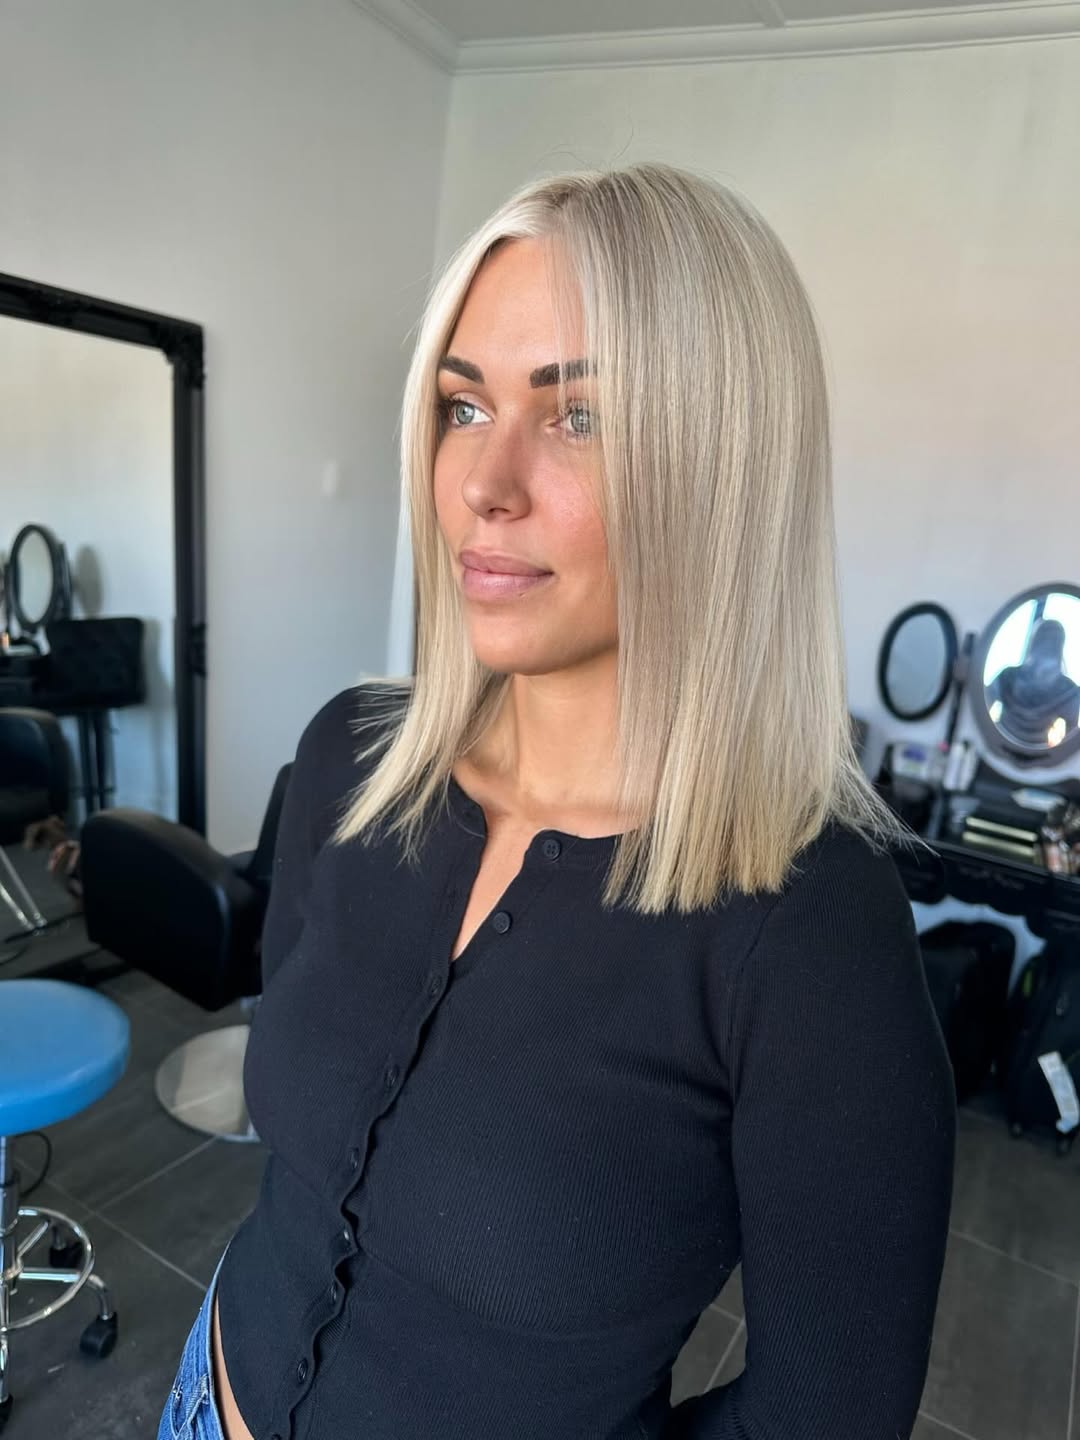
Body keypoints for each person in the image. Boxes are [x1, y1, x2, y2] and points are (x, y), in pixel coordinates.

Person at [158, 161, 956, 1440]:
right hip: (206, 1394)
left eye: (577, 417)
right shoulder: (353, 762)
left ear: (722, 471)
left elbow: (831, 1409)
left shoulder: (806, 930)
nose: (487, 481)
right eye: (464, 404)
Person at [985, 617, 1080, 748]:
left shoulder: (1008, 675)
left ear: (1033, 642)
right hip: (1033, 753)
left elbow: (983, 708)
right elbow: (1069, 739)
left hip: (1000, 745)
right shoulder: (1069, 690)